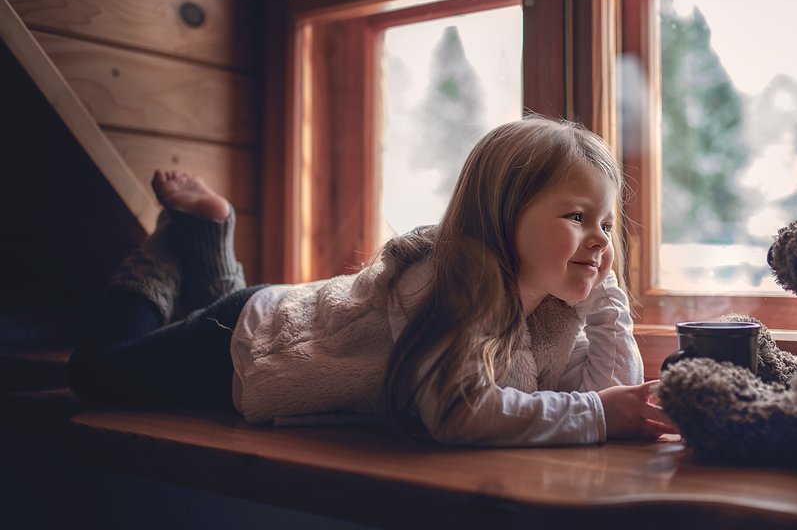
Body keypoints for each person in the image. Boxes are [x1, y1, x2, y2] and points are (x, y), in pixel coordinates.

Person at [68, 116, 672, 446]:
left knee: (202, 310)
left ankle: (205, 236)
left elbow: (614, 394)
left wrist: (603, 293)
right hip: (258, 339)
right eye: (575, 217)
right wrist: (595, 415)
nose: (601, 238)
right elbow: (456, 412)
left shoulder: (552, 311)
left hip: (273, 341)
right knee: (94, 374)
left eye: (608, 224)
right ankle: (165, 252)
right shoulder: (450, 281)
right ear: (502, 215)